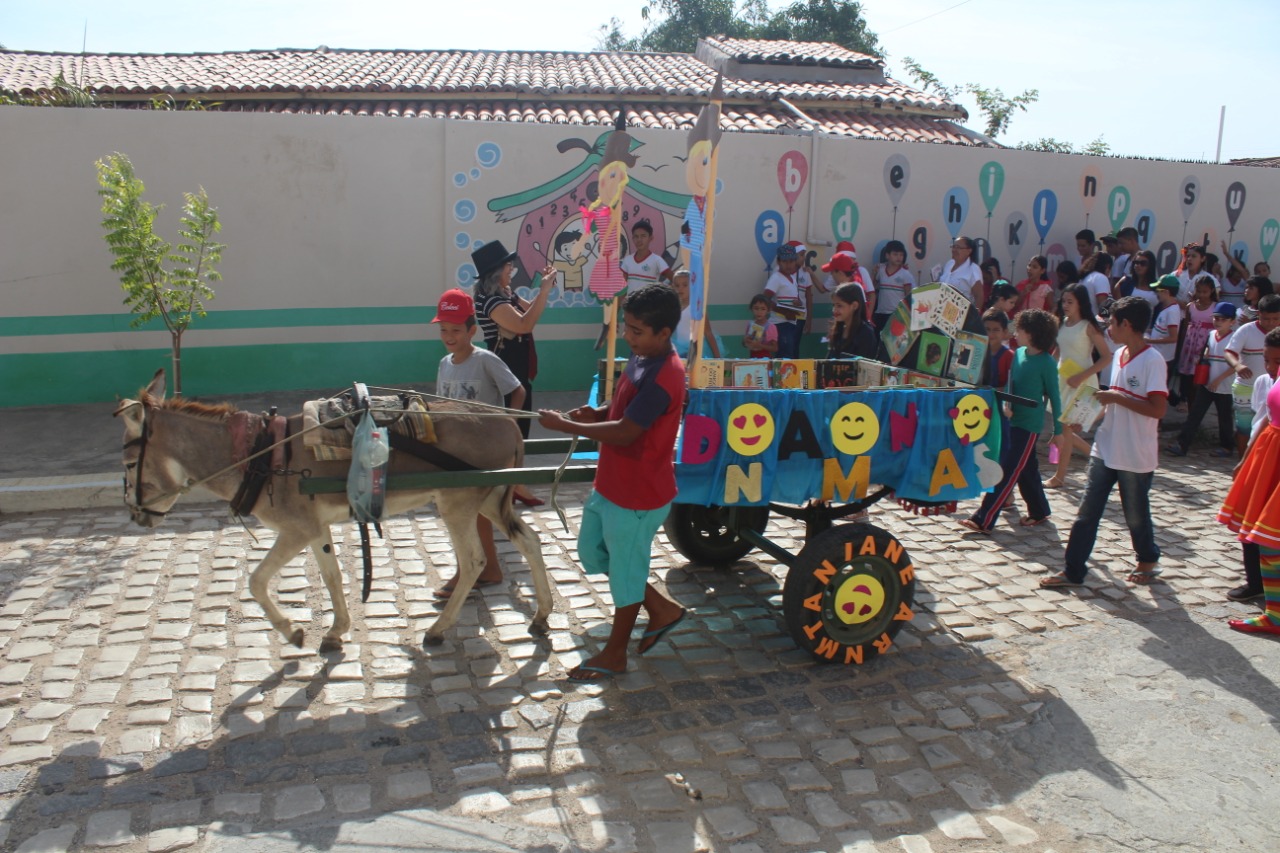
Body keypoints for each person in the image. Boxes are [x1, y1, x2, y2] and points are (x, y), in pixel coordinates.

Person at [537, 284, 688, 682]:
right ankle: (661, 609)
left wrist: (565, 426)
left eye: (637, 330)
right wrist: (595, 411)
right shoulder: (642, 357)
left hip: (638, 494)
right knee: (593, 552)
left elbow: (626, 432)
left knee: (624, 573)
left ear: (664, 333)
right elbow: (624, 409)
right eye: (628, 327)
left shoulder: (666, 374)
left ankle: (616, 653)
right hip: (613, 484)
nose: (628, 335)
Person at [1042, 296, 1168, 589]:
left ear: (1126, 324)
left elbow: (1157, 409)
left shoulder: (1153, 361)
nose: (1108, 327)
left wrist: (1115, 397)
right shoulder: (1121, 354)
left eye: (1112, 322)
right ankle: (1073, 570)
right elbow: (1112, 403)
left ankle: (1147, 557)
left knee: (1135, 514)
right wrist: (1088, 419)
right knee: (1087, 513)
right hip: (1106, 446)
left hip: (1136, 453)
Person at [432, 288, 525, 597]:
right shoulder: (445, 364)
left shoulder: (485, 360)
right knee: (476, 513)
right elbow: (442, 406)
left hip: (483, 449)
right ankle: (489, 569)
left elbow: (517, 390)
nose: (449, 336)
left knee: (468, 511)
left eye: (456, 330)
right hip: (456, 451)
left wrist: (504, 425)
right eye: (444, 330)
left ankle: (468, 571)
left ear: (471, 330)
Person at [960, 309, 1061, 532]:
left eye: (1021, 329)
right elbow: (1011, 385)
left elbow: (1055, 396)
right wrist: (1007, 405)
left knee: (1008, 469)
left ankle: (983, 519)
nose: (1016, 332)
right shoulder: (1020, 353)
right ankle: (1039, 510)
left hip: (1029, 424)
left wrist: (1059, 430)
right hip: (1013, 420)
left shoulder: (1046, 363)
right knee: (1027, 469)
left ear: (1033, 333)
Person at [473, 239, 556, 506]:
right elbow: (523, 324)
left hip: (518, 365)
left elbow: (528, 310)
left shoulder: (504, 293)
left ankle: (515, 482)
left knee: (521, 425)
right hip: (504, 366)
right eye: (508, 265)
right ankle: (510, 484)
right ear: (497, 270)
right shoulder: (489, 299)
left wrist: (545, 289)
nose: (512, 269)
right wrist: (543, 291)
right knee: (511, 426)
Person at [1217, 329, 1280, 636]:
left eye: (1277, 360)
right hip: (1269, 456)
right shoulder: (1274, 378)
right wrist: (1247, 458)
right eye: (1268, 360)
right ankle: (1275, 612)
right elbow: (1268, 415)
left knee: (1271, 539)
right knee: (1264, 539)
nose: (1271, 367)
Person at [1046, 284, 1112, 489]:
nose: (1065, 305)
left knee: (1064, 429)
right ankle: (1099, 458)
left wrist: (1081, 376)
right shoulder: (1062, 323)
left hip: (1081, 382)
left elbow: (1106, 357)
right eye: (1063, 301)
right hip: (1062, 380)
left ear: (1080, 303)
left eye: (1070, 302)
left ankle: (1059, 476)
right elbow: (1058, 352)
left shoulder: (1088, 326)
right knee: (1064, 430)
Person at [1167, 302, 1239, 458]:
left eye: (1223, 319)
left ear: (1232, 321)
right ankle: (1182, 444)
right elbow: (1207, 354)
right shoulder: (1211, 335)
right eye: (1216, 318)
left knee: (1224, 417)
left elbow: (1235, 365)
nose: (1218, 322)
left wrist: (1218, 380)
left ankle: (1227, 446)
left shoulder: (1235, 338)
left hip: (1225, 386)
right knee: (1195, 415)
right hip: (1207, 383)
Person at [1225, 293, 1280, 455]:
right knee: (1245, 427)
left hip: (1275, 390)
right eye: (1266, 319)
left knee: (1270, 427)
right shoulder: (1246, 330)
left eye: (1276, 319)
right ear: (1259, 315)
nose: (1271, 323)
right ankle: (1243, 461)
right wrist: (1237, 365)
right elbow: (1229, 352)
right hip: (1246, 388)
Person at [1175, 275, 1218, 413]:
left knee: (1199, 378)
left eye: (1205, 292)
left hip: (1205, 346)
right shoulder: (1190, 306)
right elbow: (1185, 327)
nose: (1201, 295)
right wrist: (1180, 346)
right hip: (1190, 346)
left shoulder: (1215, 307)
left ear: (1211, 291)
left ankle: (1198, 407)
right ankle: (1187, 401)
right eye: (1199, 291)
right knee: (1187, 377)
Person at [1145, 275, 1182, 404]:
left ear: (1166, 292)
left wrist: (1149, 341)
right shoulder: (1165, 309)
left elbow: (1173, 337)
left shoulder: (1172, 311)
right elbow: (1158, 330)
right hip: (1159, 356)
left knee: (1157, 393)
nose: (1156, 293)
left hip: (1164, 359)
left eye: (1158, 290)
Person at [765, 244, 806, 358]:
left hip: (790, 323)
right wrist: (785, 312)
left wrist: (798, 303)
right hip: (780, 324)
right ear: (779, 261)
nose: (789, 265)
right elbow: (765, 299)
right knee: (784, 358)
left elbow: (791, 299)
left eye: (791, 261)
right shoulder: (776, 278)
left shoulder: (791, 278)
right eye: (785, 261)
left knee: (790, 356)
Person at [670, 269, 720, 360]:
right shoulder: (673, 307)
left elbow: (708, 332)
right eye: (677, 285)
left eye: (685, 285)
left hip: (695, 349)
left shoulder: (697, 307)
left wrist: (717, 357)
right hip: (679, 349)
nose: (680, 288)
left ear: (693, 286)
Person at [826, 283, 878, 359]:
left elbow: (865, 366)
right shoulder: (838, 330)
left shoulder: (866, 333)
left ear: (854, 306)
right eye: (833, 305)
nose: (834, 310)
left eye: (839, 305)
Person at [619, 219, 672, 289]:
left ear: (651, 238)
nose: (639, 240)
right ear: (632, 238)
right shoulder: (627, 260)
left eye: (643, 236)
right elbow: (621, 288)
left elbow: (674, 278)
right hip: (630, 300)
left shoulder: (657, 260)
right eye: (636, 236)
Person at [873, 239, 912, 331]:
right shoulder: (881, 270)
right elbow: (873, 288)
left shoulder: (905, 274)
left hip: (896, 314)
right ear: (887, 255)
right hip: (881, 312)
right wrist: (874, 273)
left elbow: (908, 295)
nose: (898, 257)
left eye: (901, 255)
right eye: (895, 254)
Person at [937, 236, 984, 308]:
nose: (954, 250)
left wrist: (974, 317)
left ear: (969, 251)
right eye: (953, 246)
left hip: (962, 314)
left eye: (958, 247)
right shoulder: (949, 264)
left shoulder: (973, 269)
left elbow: (979, 296)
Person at [981, 308, 1015, 389]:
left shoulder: (1010, 356)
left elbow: (1011, 387)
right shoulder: (976, 351)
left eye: (996, 330)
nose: (990, 334)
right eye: (987, 329)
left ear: (1005, 332)